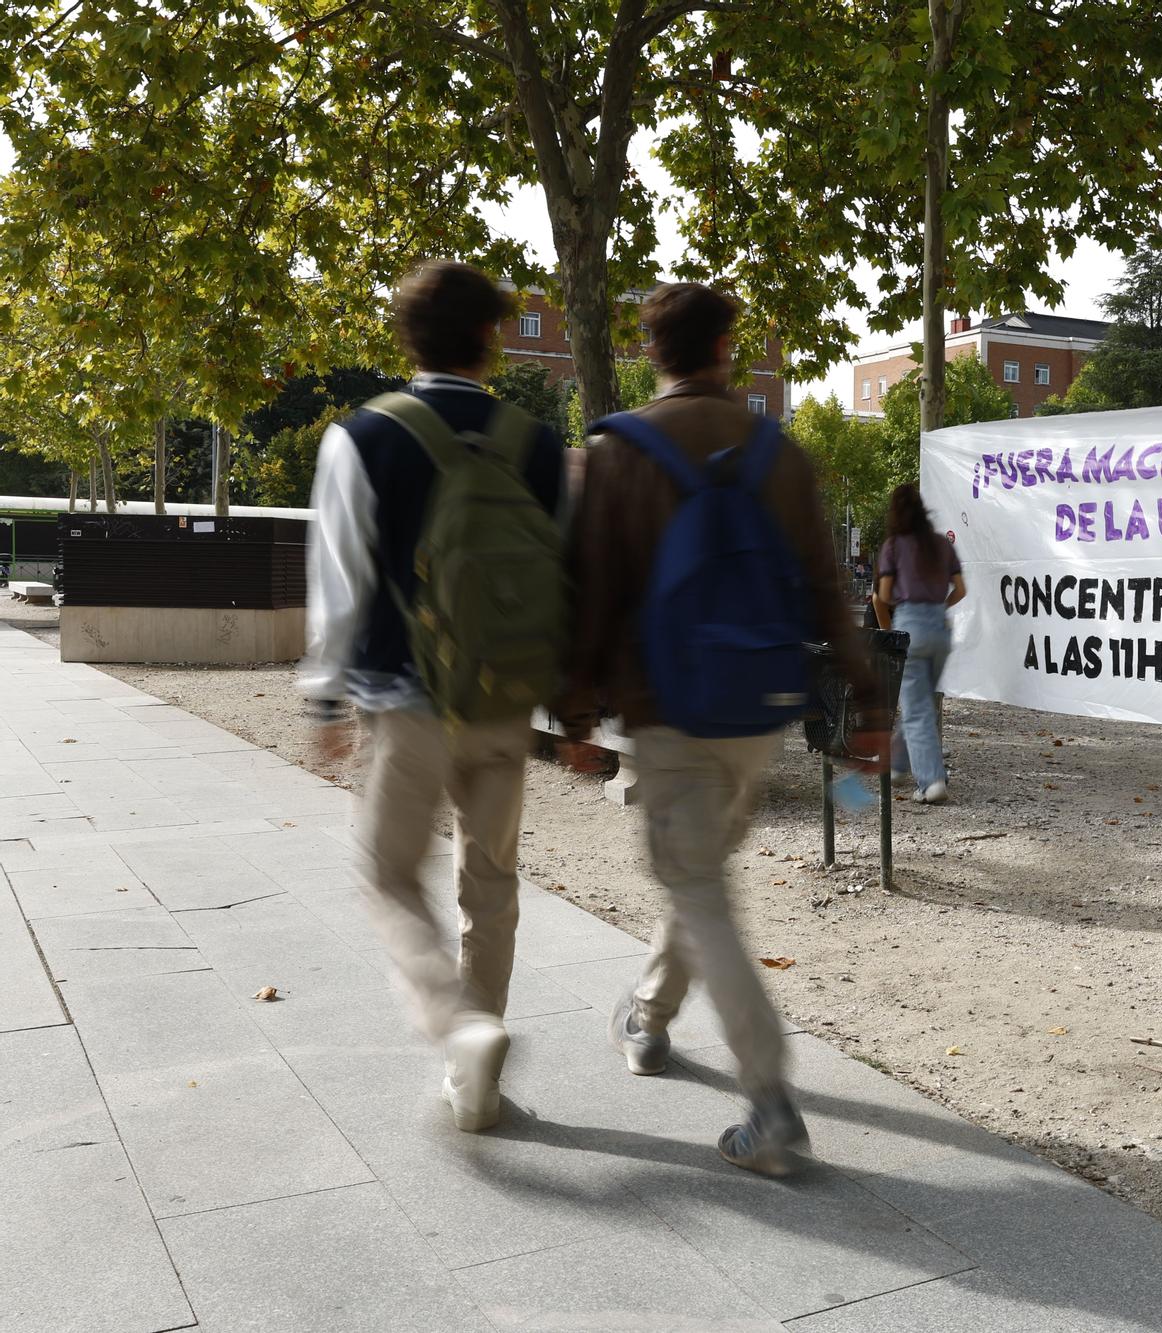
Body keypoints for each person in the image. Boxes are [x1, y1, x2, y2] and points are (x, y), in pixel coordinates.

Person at [558, 281, 885, 1175]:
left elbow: (589, 596)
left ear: (650, 350)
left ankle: (771, 1099)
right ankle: (650, 1014)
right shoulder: (780, 454)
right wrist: (869, 698)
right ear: (725, 347)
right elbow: (829, 588)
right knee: (695, 874)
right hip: (760, 711)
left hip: (669, 713)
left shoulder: (616, 451)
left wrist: (574, 711)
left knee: (701, 891)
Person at [299, 261, 569, 1129]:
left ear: (405, 338)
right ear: (492, 339)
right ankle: (474, 1074)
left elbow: (337, 579)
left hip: (406, 702)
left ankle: (461, 1029)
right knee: (490, 885)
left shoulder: (364, 435)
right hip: (502, 703)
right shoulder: (536, 439)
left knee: (385, 873)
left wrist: (323, 697)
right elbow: (563, 577)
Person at [872, 483, 966, 804]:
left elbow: (883, 596)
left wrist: (905, 602)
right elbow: (961, 590)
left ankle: (931, 782)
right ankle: (896, 766)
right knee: (920, 704)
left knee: (917, 711)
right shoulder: (941, 545)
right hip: (940, 629)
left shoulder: (893, 546)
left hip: (909, 628)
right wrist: (937, 606)